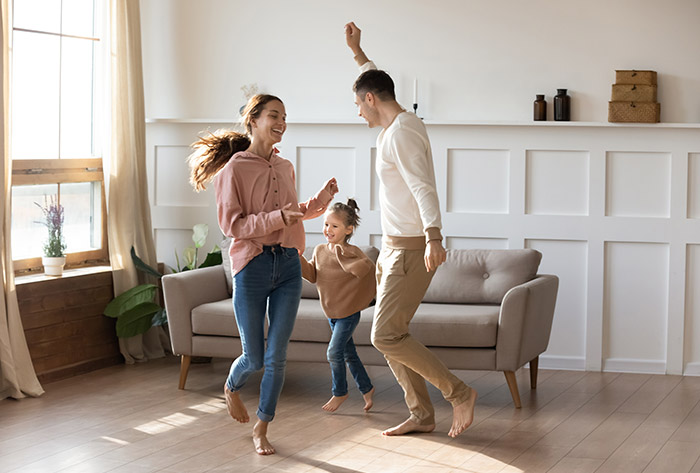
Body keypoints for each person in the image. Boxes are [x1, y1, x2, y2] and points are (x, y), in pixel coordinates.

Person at [344, 22, 478, 438]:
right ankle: (420, 414)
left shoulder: (400, 133)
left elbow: (423, 188)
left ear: (370, 100)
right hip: (392, 248)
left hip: (410, 249)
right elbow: (375, 78)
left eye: (358, 104)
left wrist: (435, 237)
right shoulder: (399, 123)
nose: (358, 111)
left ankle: (458, 393)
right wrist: (358, 52)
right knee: (392, 334)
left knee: (384, 333)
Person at [187, 94, 338, 455]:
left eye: (285, 116)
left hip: (287, 265)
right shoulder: (234, 170)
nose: (281, 122)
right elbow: (232, 225)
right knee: (253, 358)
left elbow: (290, 212)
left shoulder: (285, 167)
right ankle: (231, 386)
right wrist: (277, 219)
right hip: (251, 267)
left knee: (276, 357)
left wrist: (319, 202)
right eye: (274, 115)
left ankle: (262, 427)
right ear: (252, 120)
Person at [299, 199, 376, 413]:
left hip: (348, 313)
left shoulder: (353, 252)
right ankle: (367, 388)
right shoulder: (320, 250)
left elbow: (364, 270)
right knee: (348, 354)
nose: (328, 230)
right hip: (331, 312)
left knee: (333, 352)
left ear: (348, 229)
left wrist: (343, 258)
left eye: (334, 226)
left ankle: (339, 391)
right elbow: (313, 275)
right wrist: (298, 260)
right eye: (326, 224)